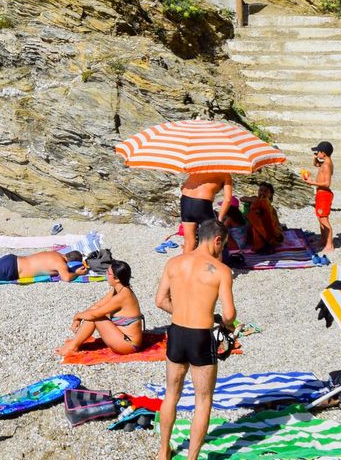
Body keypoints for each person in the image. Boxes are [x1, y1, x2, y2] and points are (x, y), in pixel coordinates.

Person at [154, 219, 236, 460]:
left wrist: (181, 311)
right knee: (203, 400)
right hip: (201, 336)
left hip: (177, 332)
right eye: (224, 245)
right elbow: (229, 314)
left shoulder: (174, 262)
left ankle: (163, 452)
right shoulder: (220, 270)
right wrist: (226, 325)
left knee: (172, 393)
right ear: (218, 240)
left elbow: (160, 300)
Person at [55, 259, 145, 356]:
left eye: (108, 273)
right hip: (122, 338)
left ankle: (73, 347)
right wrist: (79, 318)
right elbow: (97, 306)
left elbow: (95, 314)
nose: (106, 274)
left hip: (129, 345)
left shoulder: (123, 296)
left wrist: (77, 316)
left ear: (117, 279)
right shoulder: (118, 289)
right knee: (93, 314)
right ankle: (74, 344)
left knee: (95, 317)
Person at [179, 171, 233, 254]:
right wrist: (220, 218)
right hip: (202, 203)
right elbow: (228, 199)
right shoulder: (225, 174)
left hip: (185, 200)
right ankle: (213, 265)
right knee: (214, 241)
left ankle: (186, 266)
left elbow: (182, 187)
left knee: (189, 242)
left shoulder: (199, 169)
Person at [299, 141, 336, 263]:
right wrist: (315, 159)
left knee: (324, 219)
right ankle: (323, 240)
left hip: (324, 194)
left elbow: (327, 183)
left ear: (323, 153)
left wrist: (311, 183)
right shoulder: (325, 162)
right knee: (320, 217)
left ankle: (329, 245)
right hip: (321, 194)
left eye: (317, 152)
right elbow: (316, 165)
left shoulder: (326, 165)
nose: (316, 153)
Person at [243, 182, 283, 254]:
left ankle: (267, 240)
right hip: (254, 229)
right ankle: (265, 242)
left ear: (270, 195)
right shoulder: (255, 199)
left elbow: (274, 221)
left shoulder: (271, 208)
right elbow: (242, 198)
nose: (262, 192)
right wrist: (257, 201)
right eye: (260, 190)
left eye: (265, 191)